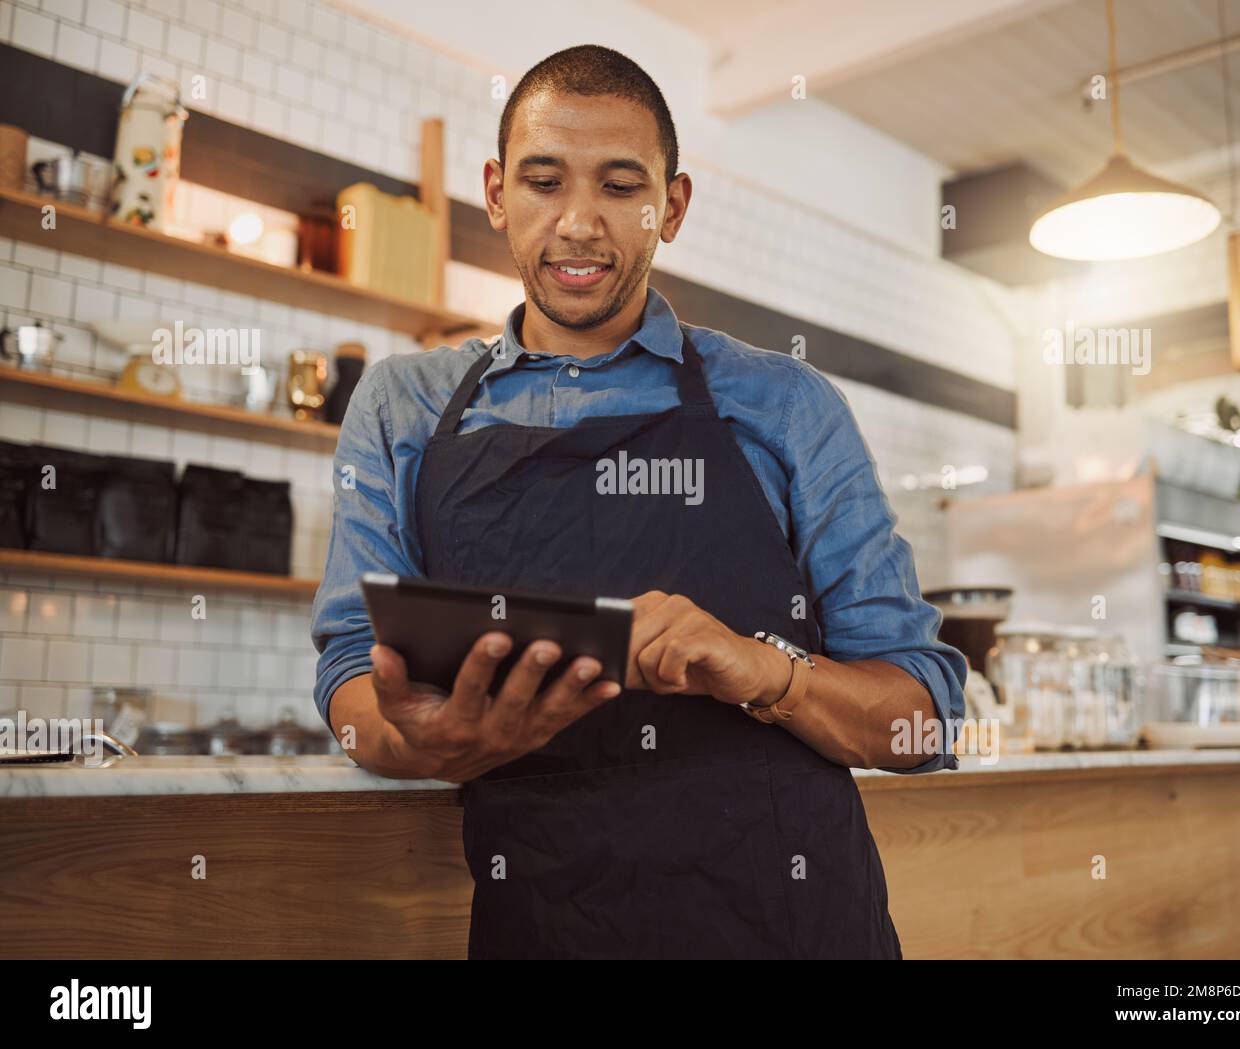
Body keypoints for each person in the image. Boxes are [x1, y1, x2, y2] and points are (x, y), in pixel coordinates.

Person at [310, 44, 966, 959]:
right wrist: (421, 740)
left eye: (622, 186)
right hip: (542, 923)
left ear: (674, 205)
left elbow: (923, 716)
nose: (579, 223)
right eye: (544, 182)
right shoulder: (403, 408)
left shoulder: (785, 404)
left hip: (794, 927)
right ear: (497, 193)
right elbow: (349, 672)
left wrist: (761, 669)